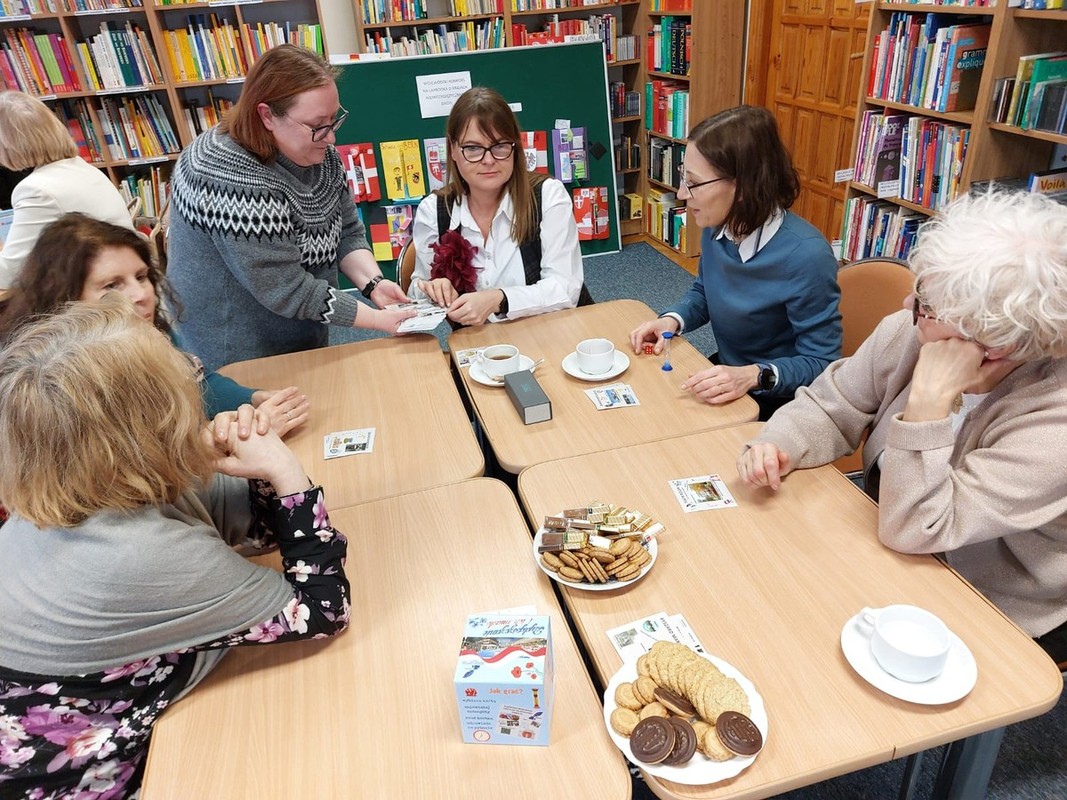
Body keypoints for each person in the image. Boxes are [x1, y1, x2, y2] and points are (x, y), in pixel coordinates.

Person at [0, 298, 350, 798]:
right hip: (77, 775)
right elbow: (322, 611)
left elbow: (257, 530)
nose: (194, 371)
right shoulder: (136, 552)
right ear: (151, 426)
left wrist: (238, 463)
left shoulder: (88, 484)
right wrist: (285, 473)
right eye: (183, 375)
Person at [736, 190, 1067, 667]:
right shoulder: (908, 330)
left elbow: (918, 528)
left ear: (995, 345)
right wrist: (779, 441)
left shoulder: (1052, 420)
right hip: (891, 533)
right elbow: (832, 405)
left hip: (990, 587)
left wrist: (928, 406)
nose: (909, 300)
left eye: (928, 306)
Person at [166, 45, 415, 371]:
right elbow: (287, 289)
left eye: (333, 119)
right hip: (236, 353)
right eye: (318, 125)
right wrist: (379, 321)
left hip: (297, 333)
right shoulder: (230, 176)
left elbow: (347, 231)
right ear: (267, 115)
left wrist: (374, 284)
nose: (331, 139)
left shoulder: (315, 150)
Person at [0, 213, 308, 434]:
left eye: (141, 277)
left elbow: (196, 382)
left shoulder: (145, 330)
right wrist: (243, 434)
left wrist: (253, 399)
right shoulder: (58, 382)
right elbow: (144, 460)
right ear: (65, 299)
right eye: (111, 286)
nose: (140, 295)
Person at [628, 105, 841, 421]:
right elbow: (706, 290)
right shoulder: (717, 227)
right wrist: (672, 320)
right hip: (729, 377)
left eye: (694, 183)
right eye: (683, 177)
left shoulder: (806, 256)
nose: (682, 193)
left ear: (742, 187)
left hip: (782, 400)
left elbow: (822, 364)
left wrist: (752, 375)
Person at [409, 86, 590, 327]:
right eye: (472, 148)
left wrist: (499, 299)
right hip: (481, 351)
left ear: (515, 147)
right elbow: (416, 297)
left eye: (500, 146)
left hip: (554, 334)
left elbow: (566, 288)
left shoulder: (547, 195)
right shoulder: (434, 211)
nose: (488, 159)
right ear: (452, 149)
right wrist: (431, 290)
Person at [0, 91, 133, 289]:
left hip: (100, 300)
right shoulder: (81, 167)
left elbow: (9, 275)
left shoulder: (36, 189)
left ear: (8, 144)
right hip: (123, 283)